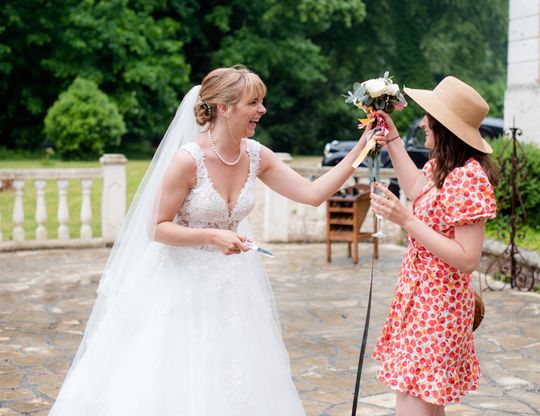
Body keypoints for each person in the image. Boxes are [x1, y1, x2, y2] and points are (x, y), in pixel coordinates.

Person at [49, 65, 370, 416]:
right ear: (224, 107)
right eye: (254, 102)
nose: (262, 110)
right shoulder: (188, 160)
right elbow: (155, 227)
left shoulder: (256, 155)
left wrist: (361, 148)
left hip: (234, 286)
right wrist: (211, 235)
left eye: (262, 102)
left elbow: (312, 193)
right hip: (178, 283)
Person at [369, 76, 499, 416]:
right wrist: (393, 138)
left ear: (445, 126)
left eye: (430, 117)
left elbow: (468, 258)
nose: (423, 122)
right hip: (418, 301)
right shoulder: (443, 166)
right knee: (425, 405)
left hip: (439, 308)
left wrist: (407, 221)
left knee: (413, 404)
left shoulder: (468, 177)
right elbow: (415, 187)